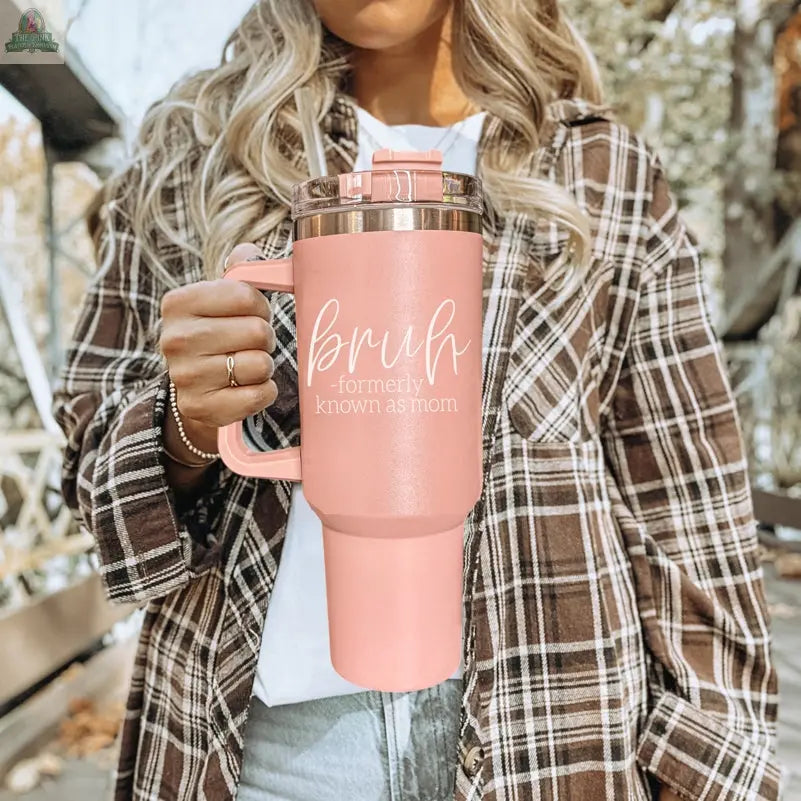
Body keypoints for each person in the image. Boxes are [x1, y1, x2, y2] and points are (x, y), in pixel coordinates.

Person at [53, 1, 781, 800]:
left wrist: (710, 761)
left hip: (556, 739)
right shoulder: (195, 148)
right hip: (265, 754)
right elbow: (91, 464)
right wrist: (185, 426)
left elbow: (687, 499)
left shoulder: (601, 169)